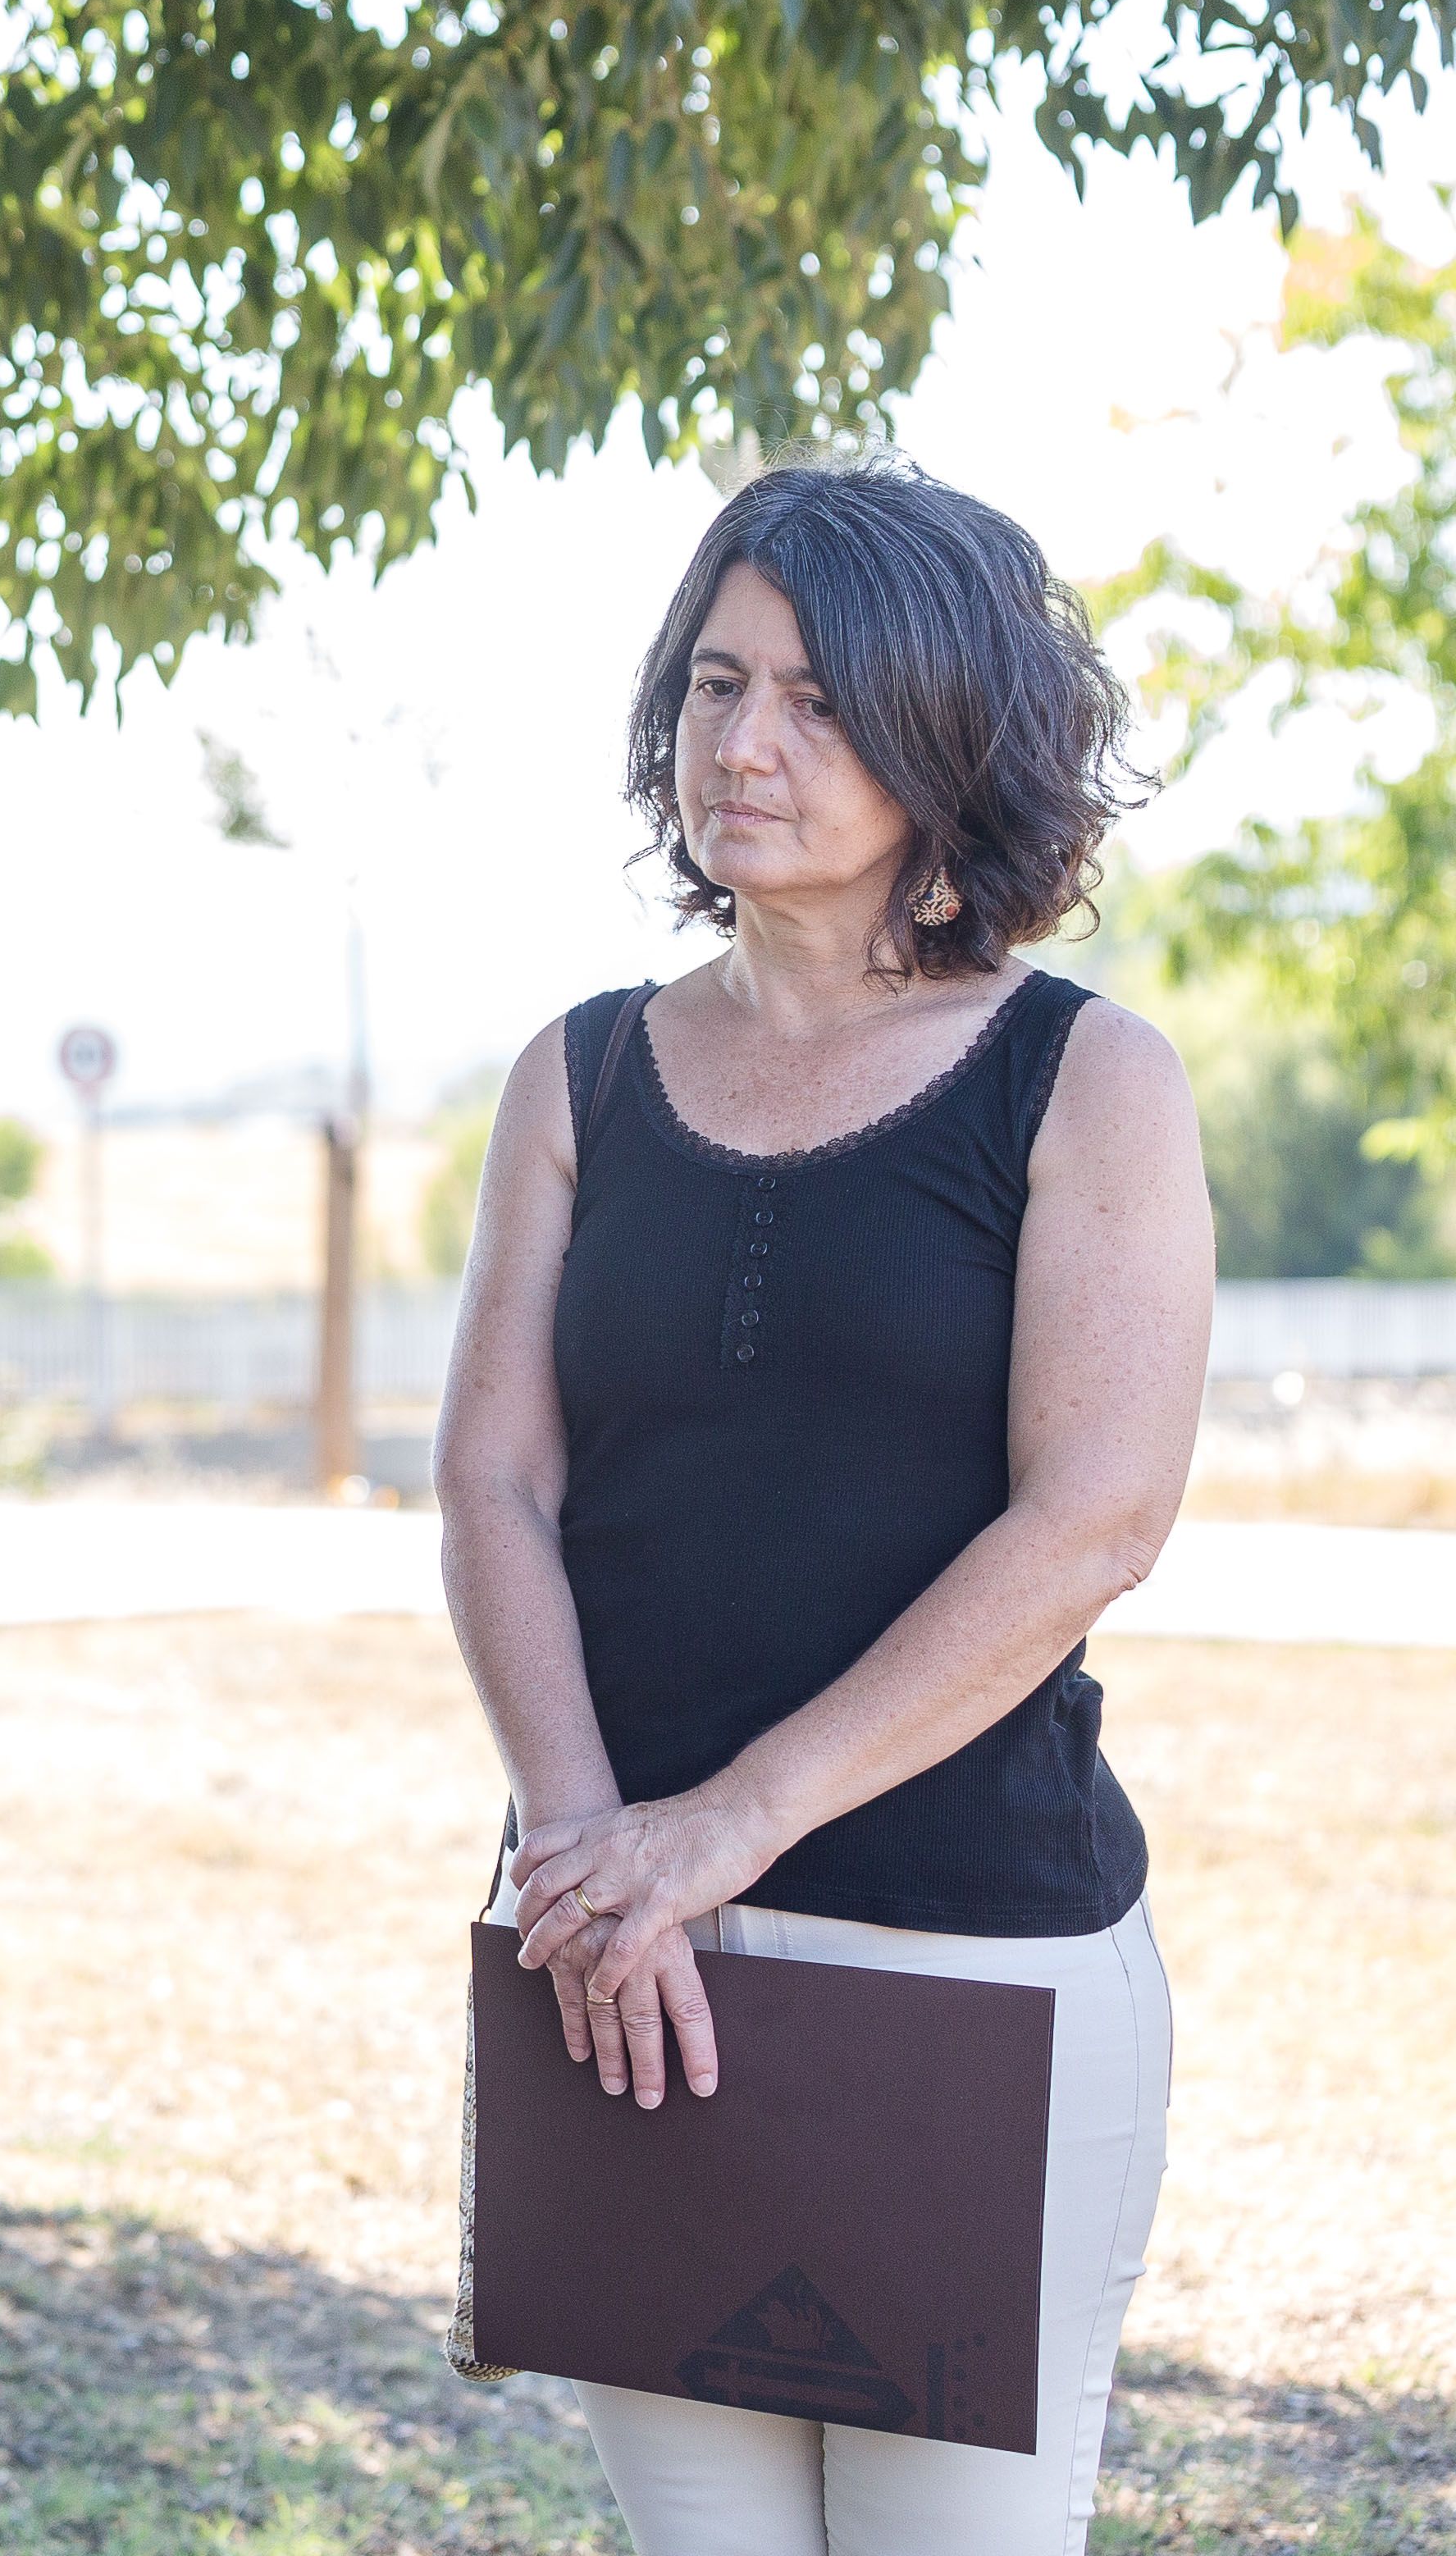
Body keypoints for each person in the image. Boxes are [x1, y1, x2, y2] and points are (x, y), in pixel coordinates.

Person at [436, 454, 1209, 2553]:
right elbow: (498, 1475)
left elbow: (1095, 1521)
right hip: (627, 1969)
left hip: (975, 1975)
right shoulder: (578, 1075)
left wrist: (723, 1829)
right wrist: (595, 1852)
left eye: (819, 701)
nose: (743, 743)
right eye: (713, 684)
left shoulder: (1086, 1078)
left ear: (947, 737)